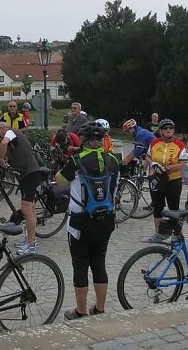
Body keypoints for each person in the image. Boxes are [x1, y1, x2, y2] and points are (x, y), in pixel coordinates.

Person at [56, 122, 120, 320]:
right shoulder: (113, 160)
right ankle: (99, 309)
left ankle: (81, 311)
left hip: (80, 222)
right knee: (99, 263)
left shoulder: (77, 160)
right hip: (105, 220)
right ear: (102, 140)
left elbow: (60, 182)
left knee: (80, 265)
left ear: (82, 140)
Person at [0, 121, 43, 254]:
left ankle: (31, 243)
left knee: (26, 209)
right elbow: (10, 149)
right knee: (30, 208)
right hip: (27, 174)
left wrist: (1, 160)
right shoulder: (13, 136)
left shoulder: (11, 131)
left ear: (3, 128)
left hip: (30, 174)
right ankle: (29, 239)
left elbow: (4, 143)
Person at [147, 118, 186, 242]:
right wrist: (152, 164)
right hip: (157, 179)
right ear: (160, 131)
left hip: (173, 180)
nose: (168, 130)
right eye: (165, 128)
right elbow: (148, 156)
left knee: (174, 208)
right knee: (157, 207)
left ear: (173, 130)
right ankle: (158, 234)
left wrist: (168, 168)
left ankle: (177, 235)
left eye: (170, 128)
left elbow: (183, 164)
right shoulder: (154, 142)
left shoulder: (179, 144)